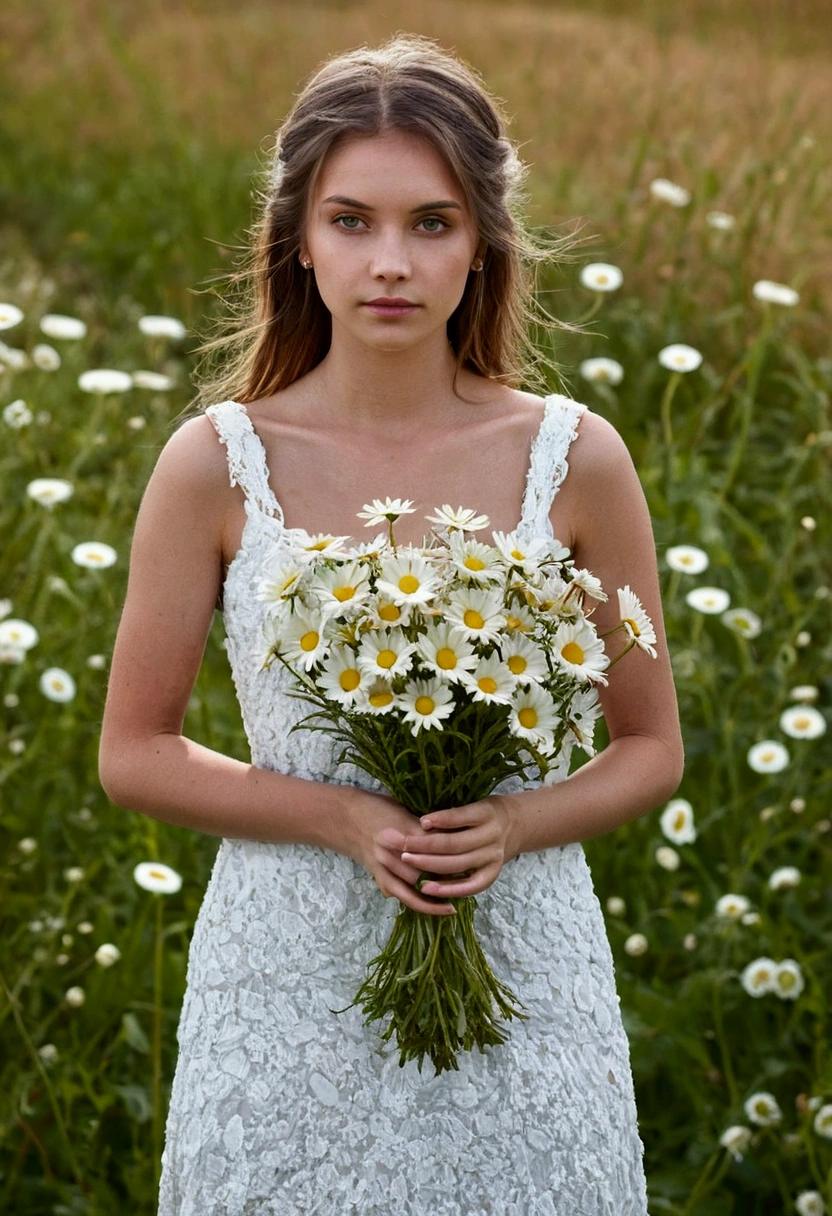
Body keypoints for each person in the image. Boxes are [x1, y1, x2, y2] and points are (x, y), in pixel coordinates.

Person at [99, 32, 683, 1216]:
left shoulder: (575, 459)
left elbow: (649, 745)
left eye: (432, 223)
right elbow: (133, 752)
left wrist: (513, 824)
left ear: (481, 246)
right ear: (298, 240)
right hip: (284, 976)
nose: (390, 263)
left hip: (521, 960)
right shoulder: (215, 463)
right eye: (351, 220)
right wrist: (341, 817)